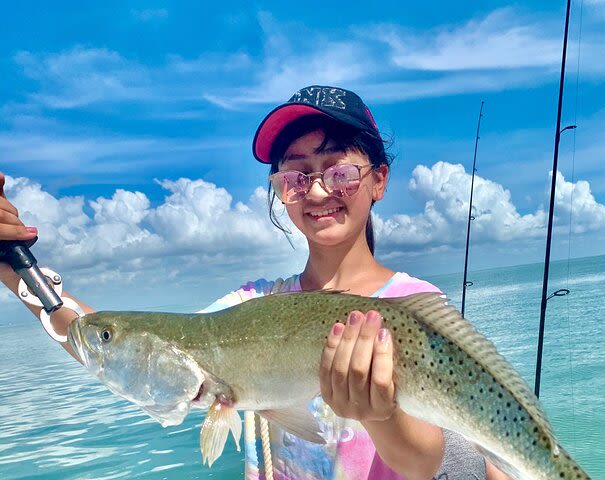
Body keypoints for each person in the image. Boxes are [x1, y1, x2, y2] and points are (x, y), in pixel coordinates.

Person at [0, 85, 509, 480]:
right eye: (294, 175)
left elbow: (425, 465)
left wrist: (377, 414)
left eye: (339, 171)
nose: (316, 189)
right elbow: (138, 350)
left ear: (378, 180)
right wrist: (13, 267)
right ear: (280, 192)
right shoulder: (252, 304)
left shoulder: (412, 310)